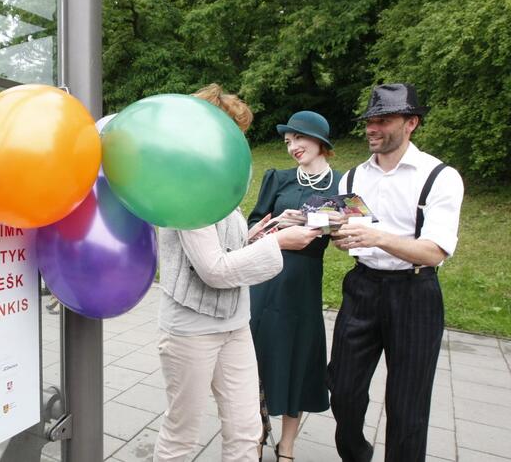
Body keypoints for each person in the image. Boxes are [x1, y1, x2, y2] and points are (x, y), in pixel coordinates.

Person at [153, 84, 323, 462]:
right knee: (182, 434)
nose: (238, 147)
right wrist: (278, 244)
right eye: (234, 135)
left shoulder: (216, 184)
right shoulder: (183, 186)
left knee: (247, 432)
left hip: (234, 323)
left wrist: (265, 230)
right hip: (191, 330)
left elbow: (225, 250)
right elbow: (213, 269)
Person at [328, 83, 464, 462]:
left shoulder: (440, 176)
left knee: (407, 408)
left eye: (383, 120)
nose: (372, 128)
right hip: (362, 287)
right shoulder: (353, 177)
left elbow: (435, 251)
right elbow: (347, 231)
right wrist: (344, 238)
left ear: (411, 123)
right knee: (342, 391)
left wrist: (377, 236)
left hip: (415, 292)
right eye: (369, 121)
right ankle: (357, 454)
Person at [247, 111, 340, 460]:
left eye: (299, 139)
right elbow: (254, 225)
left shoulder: (341, 184)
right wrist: (279, 225)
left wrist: (321, 222)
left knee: (297, 359)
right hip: (266, 278)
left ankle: (287, 443)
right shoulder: (278, 178)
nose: (293, 147)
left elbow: (348, 226)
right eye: (288, 142)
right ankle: (256, 434)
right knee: (257, 357)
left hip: (303, 283)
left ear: (320, 141)